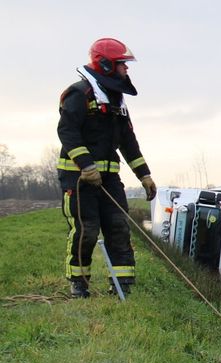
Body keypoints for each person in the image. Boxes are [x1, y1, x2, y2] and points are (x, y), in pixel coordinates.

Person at [58, 38, 155, 299]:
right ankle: (79, 284)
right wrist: (86, 166)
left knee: (118, 226)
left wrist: (144, 175)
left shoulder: (117, 100)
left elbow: (128, 142)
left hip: (110, 178)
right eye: (123, 64)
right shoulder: (80, 94)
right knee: (85, 229)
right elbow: (67, 132)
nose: (127, 70)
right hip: (78, 178)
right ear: (106, 64)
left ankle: (122, 286)